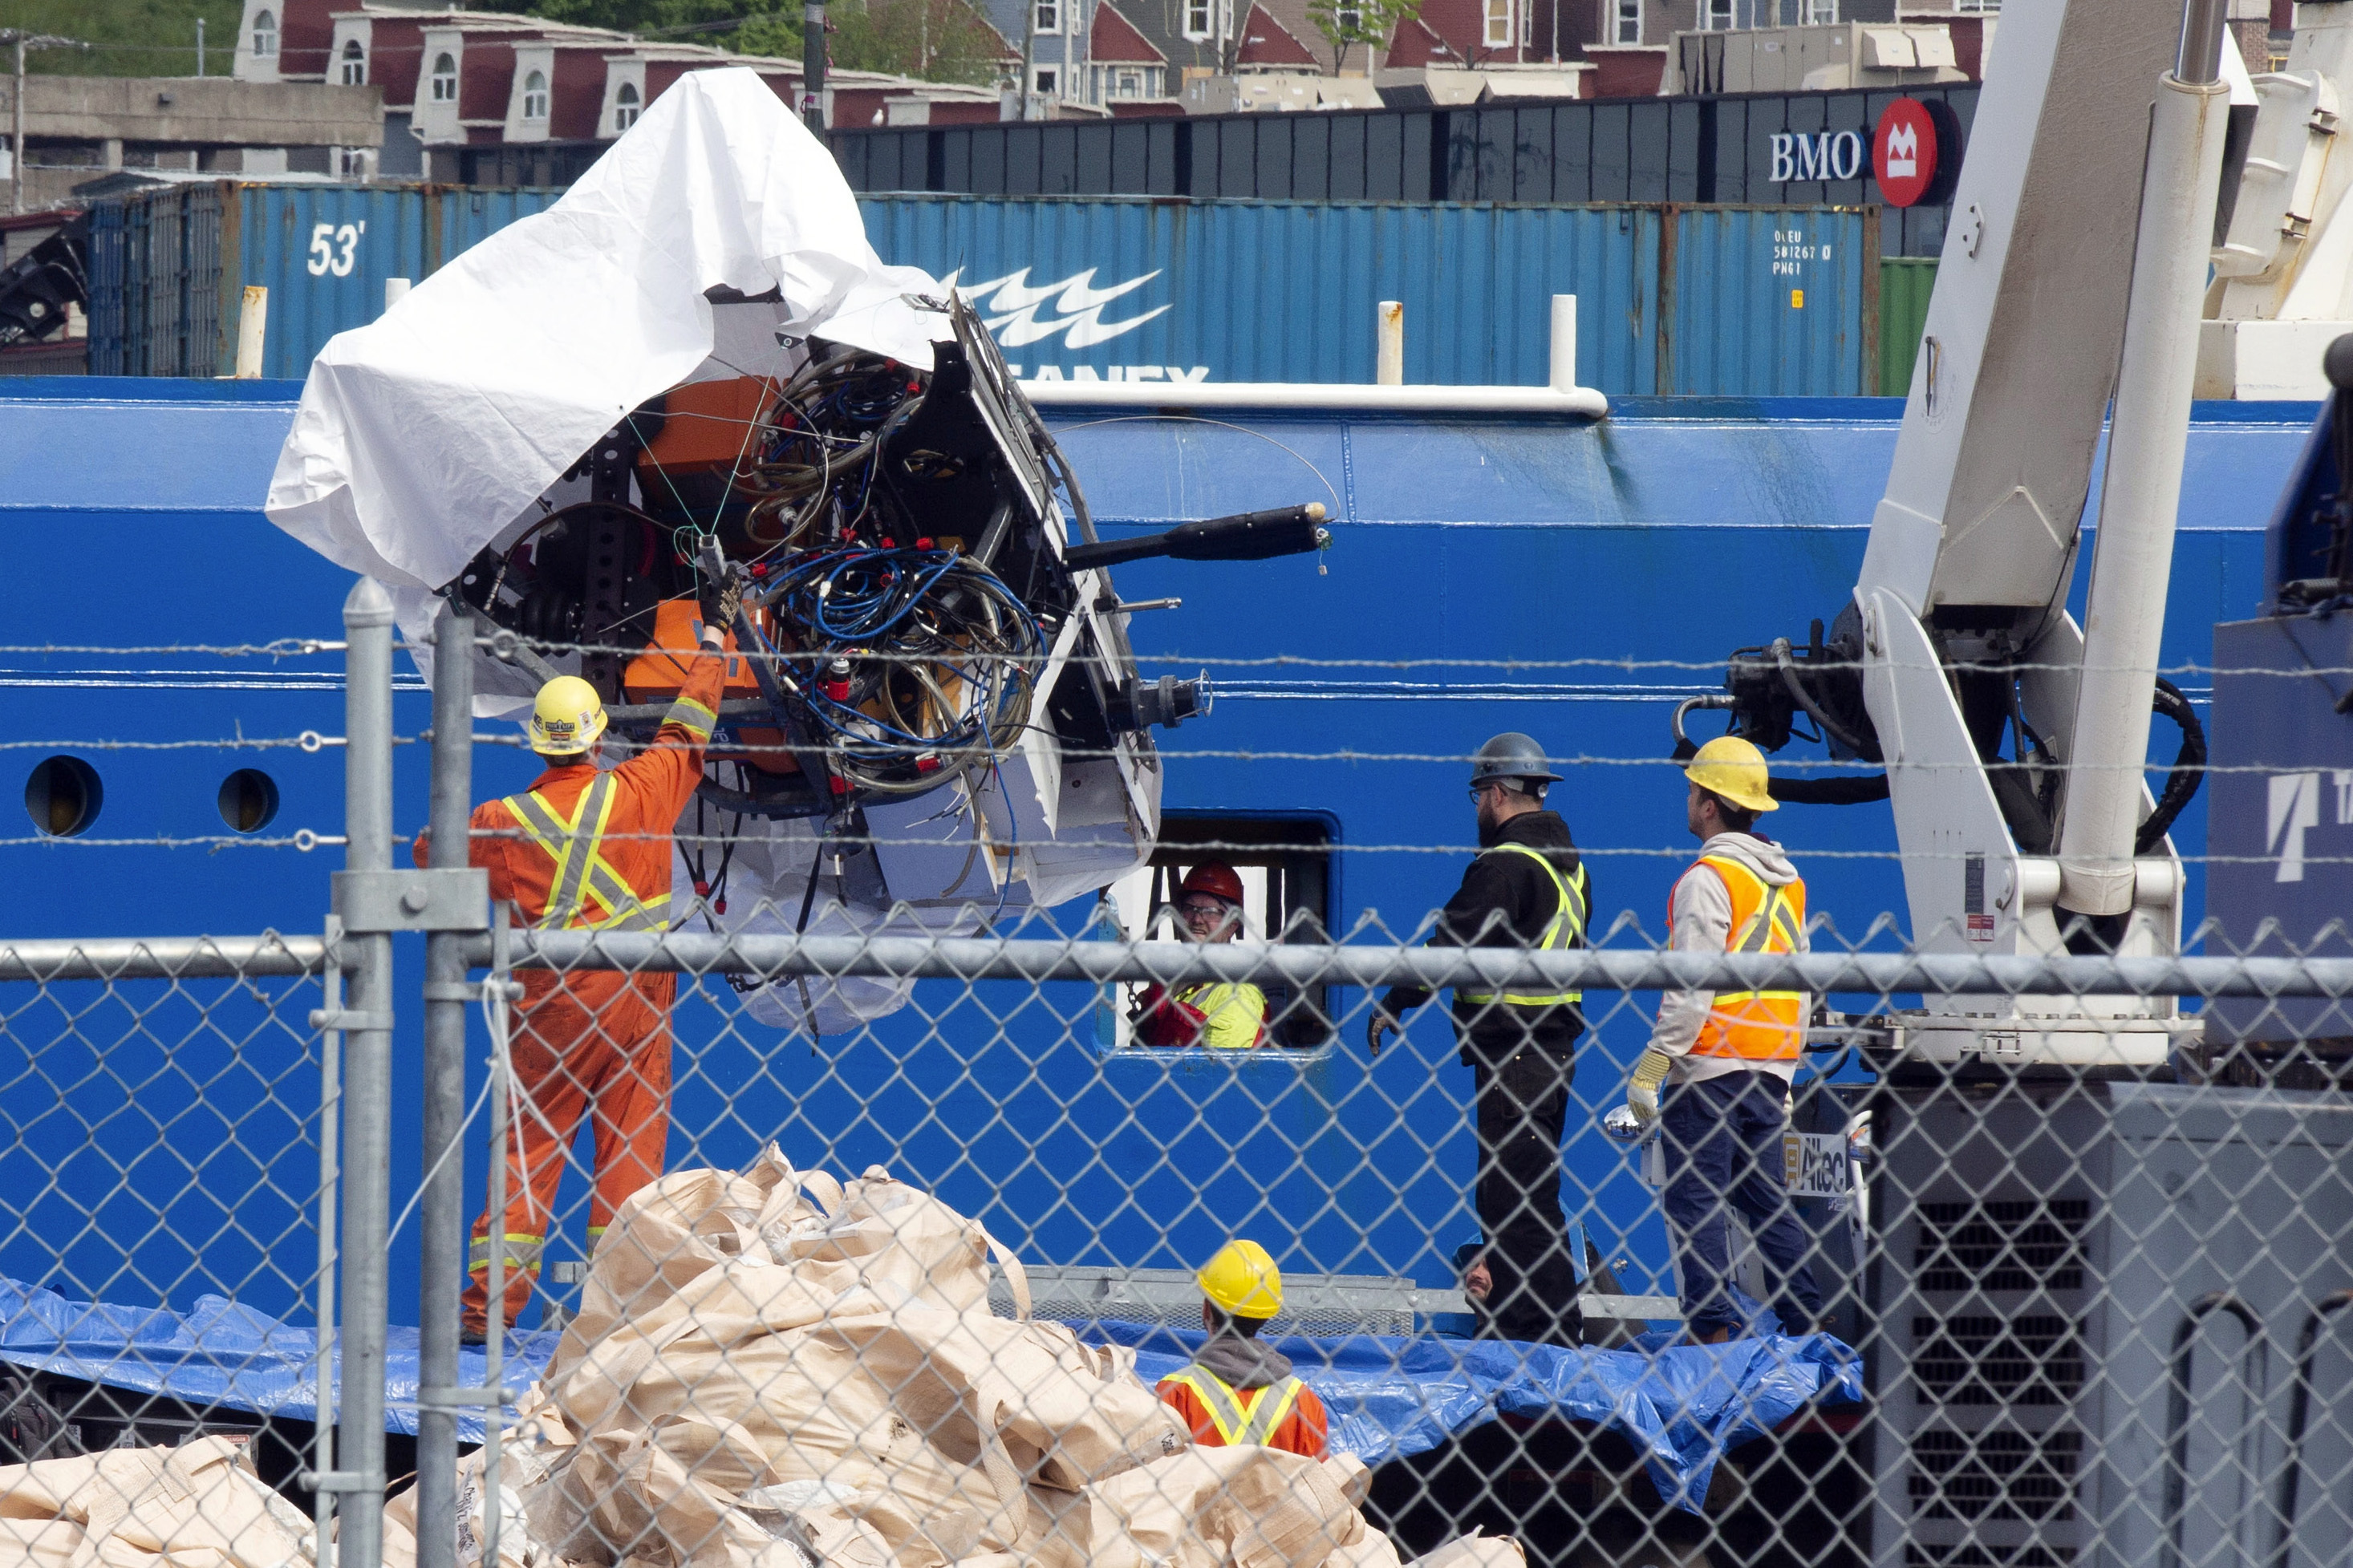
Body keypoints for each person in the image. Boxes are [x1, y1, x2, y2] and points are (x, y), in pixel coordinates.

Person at [424, 573, 741, 1340]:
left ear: (537, 741)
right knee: (631, 1152)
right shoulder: (640, 789)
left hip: (552, 1004)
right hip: (638, 997)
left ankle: (484, 1317)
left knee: (528, 1153)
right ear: (598, 738)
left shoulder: (505, 820)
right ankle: (621, 1313)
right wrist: (715, 640)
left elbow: (431, 853)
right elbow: (688, 728)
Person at [1364, 732, 1591, 1347]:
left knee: (1508, 1195)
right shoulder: (1567, 867)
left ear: (1495, 792)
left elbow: (1452, 942)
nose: (1477, 810)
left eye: (1477, 796)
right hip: (1552, 1050)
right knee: (1530, 1190)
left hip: (1514, 1051)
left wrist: (1397, 1001)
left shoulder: (1504, 865)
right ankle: (1546, 1325)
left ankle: (1534, 1330)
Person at [1623, 735, 1824, 1344]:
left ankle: (1713, 1327)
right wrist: (1787, 1067)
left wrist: (1655, 1065)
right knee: (1764, 1202)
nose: (1687, 800)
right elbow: (1803, 979)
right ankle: (1809, 1321)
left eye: (1692, 790)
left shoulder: (1707, 879)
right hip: (1768, 1070)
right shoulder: (1786, 882)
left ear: (1710, 804)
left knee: (1694, 1199)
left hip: (1708, 1067)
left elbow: (1692, 983)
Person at [1155, 1241, 1329, 1457]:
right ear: (1265, 1317)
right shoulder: (1304, 1403)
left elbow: (1157, 1478)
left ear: (1206, 1311)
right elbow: (1318, 1488)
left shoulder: (1175, 1393)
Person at [1130, 863, 1270, 1048]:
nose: (1197, 920)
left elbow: (1219, 1073)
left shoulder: (1238, 996)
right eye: (1190, 909)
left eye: (1211, 912)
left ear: (1232, 926)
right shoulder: (1167, 978)